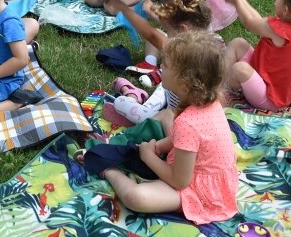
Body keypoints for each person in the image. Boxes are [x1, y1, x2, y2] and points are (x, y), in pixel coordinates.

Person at [100, 31, 238, 225]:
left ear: (185, 81)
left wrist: (148, 155)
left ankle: (109, 171)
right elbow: (184, 139)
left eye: (165, 65)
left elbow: (180, 181)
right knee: (167, 117)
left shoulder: (188, 123)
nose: (160, 67)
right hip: (209, 174)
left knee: (136, 197)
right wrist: (161, 146)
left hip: (202, 192)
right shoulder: (206, 102)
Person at [106, 0, 218, 126]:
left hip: (179, 116)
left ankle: (133, 98)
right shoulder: (205, 37)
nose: (169, 35)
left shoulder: (186, 51)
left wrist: (125, 9)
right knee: (160, 94)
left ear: (183, 30)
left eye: (170, 31)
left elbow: (151, 34)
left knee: (126, 108)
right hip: (172, 93)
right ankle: (139, 99)